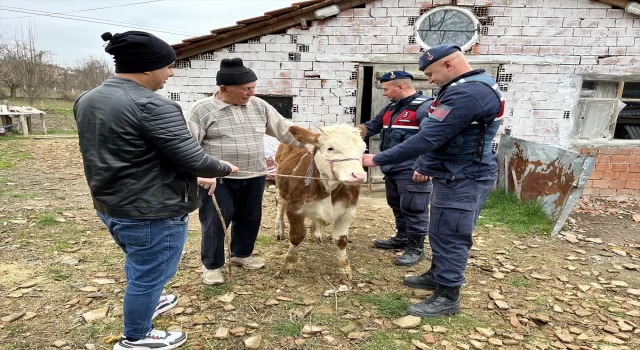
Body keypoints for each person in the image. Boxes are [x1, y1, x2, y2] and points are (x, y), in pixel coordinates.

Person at [74, 31, 238, 350]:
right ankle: (136, 336)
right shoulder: (153, 106)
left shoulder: (88, 98)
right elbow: (193, 159)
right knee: (149, 271)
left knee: (142, 262)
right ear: (147, 68)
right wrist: (222, 167)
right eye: (168, 66)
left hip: (110, 204)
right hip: (152, 211)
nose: (171, 72)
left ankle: (149, 298)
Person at [362, 44, 504, 317]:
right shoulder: (461, 88)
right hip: (451, 172)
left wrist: (375, 160)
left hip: (464, 175)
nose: (429, 81)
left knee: (451, 234)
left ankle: (448, 296)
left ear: (449, 64)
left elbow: (429, 137)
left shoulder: (469, 93)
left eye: (430, 73)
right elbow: (438, 135)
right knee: (439, 230)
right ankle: (438, 274)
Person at [186, 58, 301, 285]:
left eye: (253, 87)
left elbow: (285, 130)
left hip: (254, 174)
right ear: (224, 89)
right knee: (216, 221)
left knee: (250, 218)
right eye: (246, 89)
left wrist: (316, 141)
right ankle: (212, 266)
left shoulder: (259, 106)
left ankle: (241, 255)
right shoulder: (201, 110)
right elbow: (188, 146)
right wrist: (199, 174)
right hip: (218, 178)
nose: (251, 93)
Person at [360, 71, 432, 266]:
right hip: (391, 168)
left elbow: (433, 140)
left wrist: (425, 167)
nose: (384, 94)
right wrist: (344, 133)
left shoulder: (425, 107)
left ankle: (416, 247)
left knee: (414, 208)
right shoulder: (390, 109)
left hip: (413, 170)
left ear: (400, 86)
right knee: (397, 204)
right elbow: (372, 127)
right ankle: (402, 237)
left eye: (386, 89)